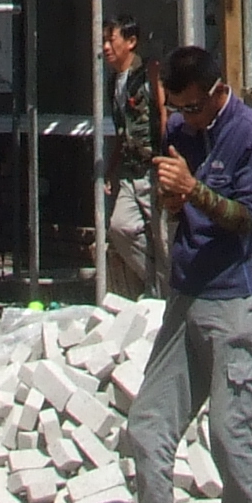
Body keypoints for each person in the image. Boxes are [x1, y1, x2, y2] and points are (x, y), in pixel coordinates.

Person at [97, 42, 252, 503]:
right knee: (148, 421)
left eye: (192, 107)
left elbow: (248, 219)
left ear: (218, 92)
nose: (184, 118)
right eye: (176, 108)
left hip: (234, 298)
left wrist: (193, 191)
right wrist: (172, 201)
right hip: (186, 294)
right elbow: (172, 203)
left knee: (229, 428)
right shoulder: (178, 130)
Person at [100, 16, 156, 298]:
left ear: (131, 42)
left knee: (165, 238)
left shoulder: (147, 77)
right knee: (120, 227)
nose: (106, 47)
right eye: (104, 41)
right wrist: (111, 170)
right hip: (129, 170)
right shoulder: (114, 83)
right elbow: (122, 131)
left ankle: (167, 294)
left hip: (152, 169)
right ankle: (158, 284)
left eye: (111, 40)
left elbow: (164, 118)